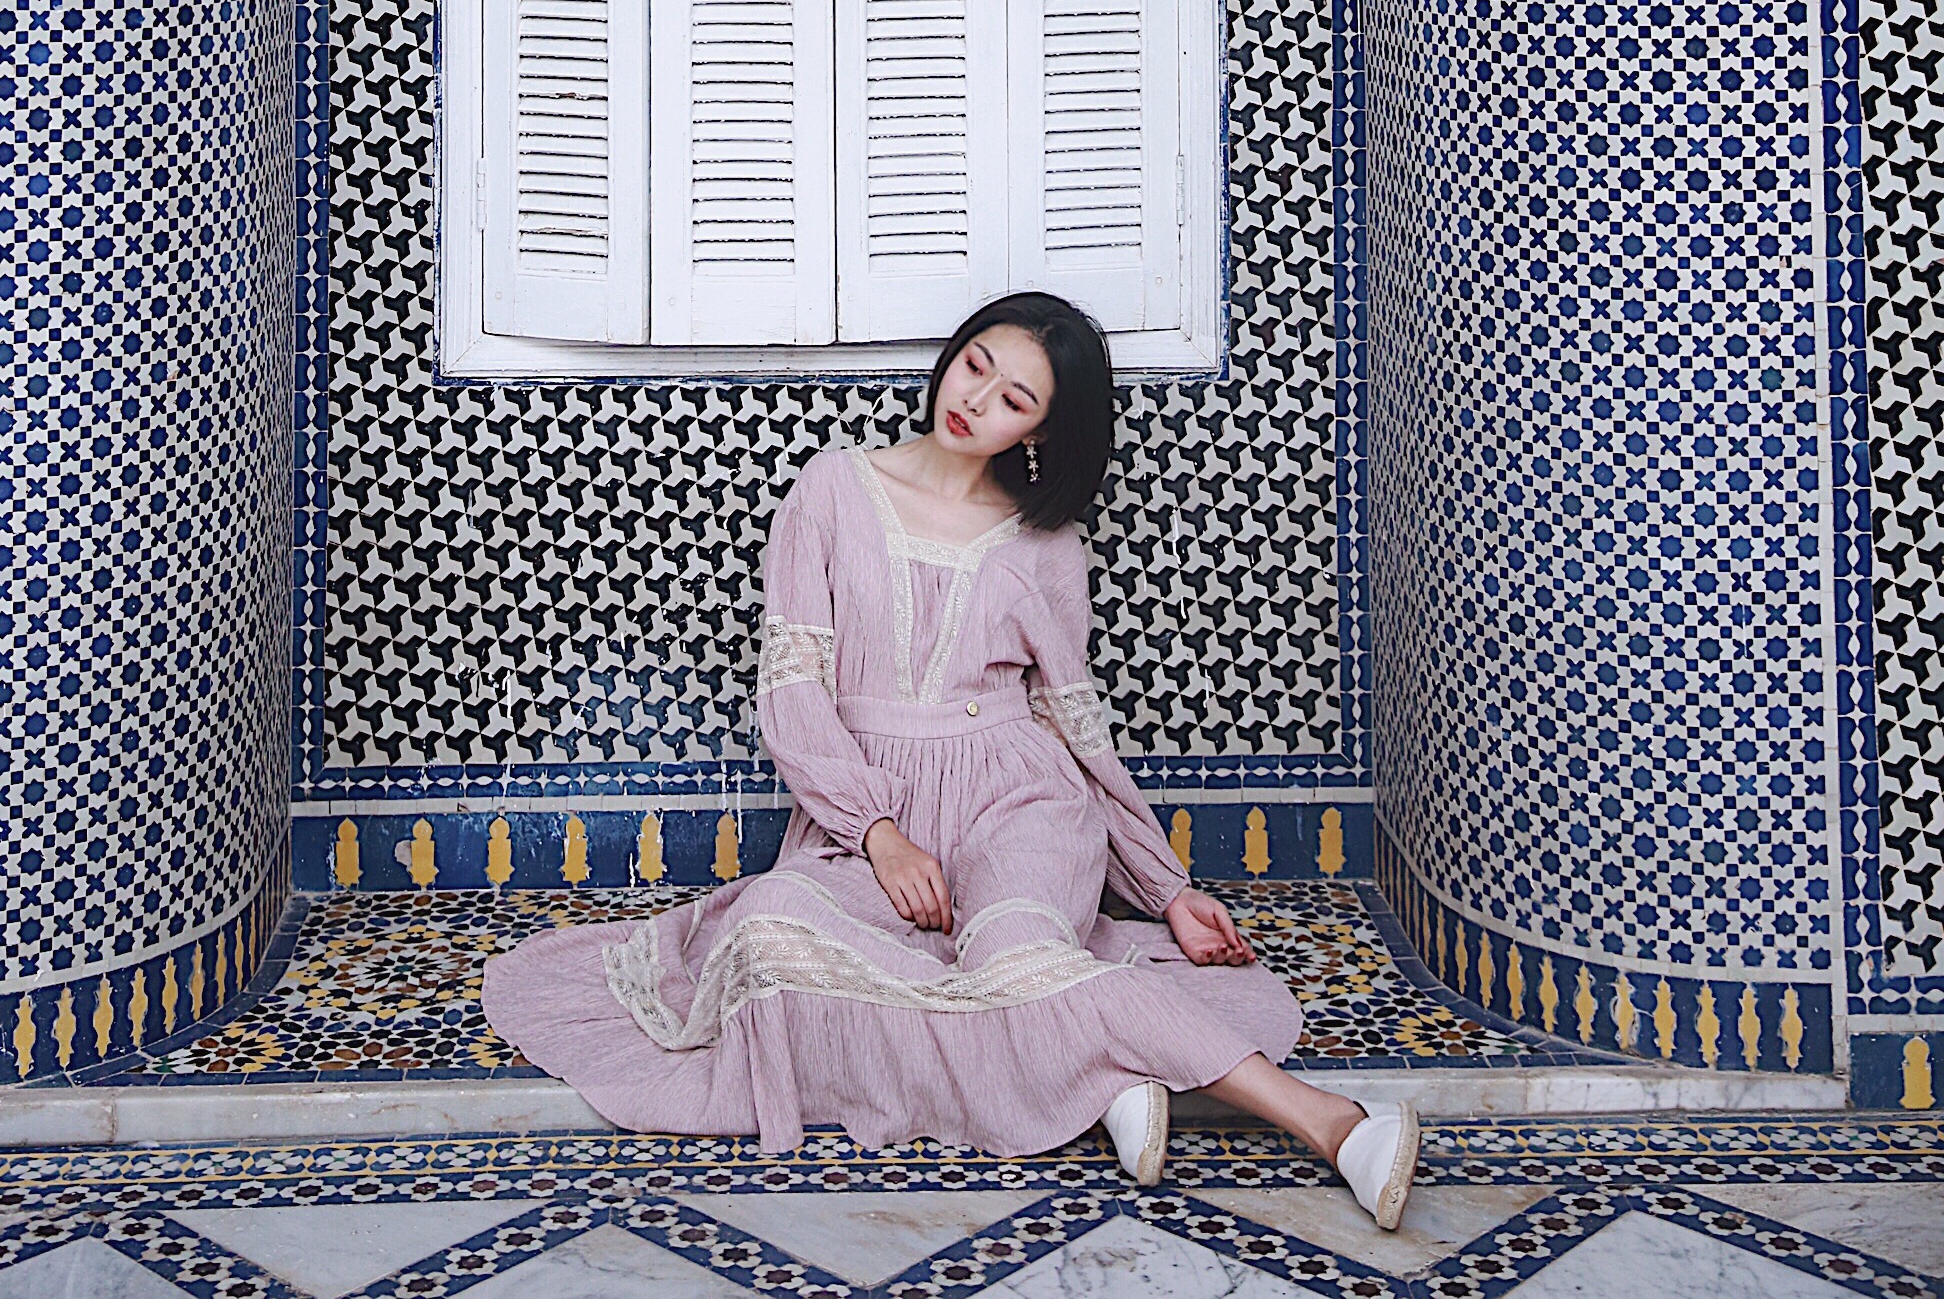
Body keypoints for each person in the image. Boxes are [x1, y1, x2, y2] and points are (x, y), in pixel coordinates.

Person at [483, 293, 1418, 1227]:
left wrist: (1164, 886)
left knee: (1017, 955)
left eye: (1016, 400)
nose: (976, 400)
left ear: (1039, 431)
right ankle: (1103, 1073)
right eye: (977, 366)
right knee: (770, 939)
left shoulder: (1048, 545)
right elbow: (792, 692)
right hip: (867, 815)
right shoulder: (832, 489)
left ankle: (1334, 1125)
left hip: (1018, 798)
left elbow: (1073, 728)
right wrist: (878, 833)